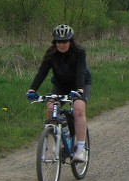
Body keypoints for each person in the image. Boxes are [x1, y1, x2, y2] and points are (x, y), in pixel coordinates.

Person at [27, 24, 92, 163]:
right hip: (61, 85)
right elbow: (42, 72)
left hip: (80, 84)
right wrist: (32, 89)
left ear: (71, 41)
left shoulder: (79, 52)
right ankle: (63, 137)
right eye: (58, 42)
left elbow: (81, 71)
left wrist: (80, 89)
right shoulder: (51, 53)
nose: (61, 45)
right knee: (51, 109)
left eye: (65, 41)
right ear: (54, 42)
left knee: (79, 109)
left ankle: (80, 149)